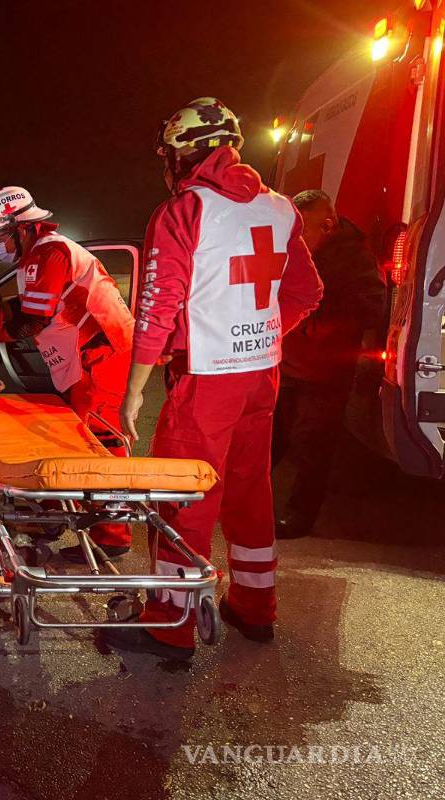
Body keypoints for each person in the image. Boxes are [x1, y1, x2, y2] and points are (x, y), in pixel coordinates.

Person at [111, 97, 323, 660]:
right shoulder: (281, 208)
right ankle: (255, 608)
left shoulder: (183, 211)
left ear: (182, 155)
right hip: (261, 375)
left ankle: (170, 624)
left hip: (207, 379)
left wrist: (133, 391)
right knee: (251, 488)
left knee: (183, 497)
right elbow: (306, 292)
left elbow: (157, 307)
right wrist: (262, 330)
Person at [0, 187, 136, 562]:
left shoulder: (49, 254)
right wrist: (3, 311)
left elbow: (33, 321)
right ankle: (62, 510)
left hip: (100, 353)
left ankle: (114, 533)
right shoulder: (44, 254)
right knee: (81, 435)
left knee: (101, 441)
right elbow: (37, 305)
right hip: (90, 351)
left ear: (22, 227)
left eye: (1, 236)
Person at [271, 190, 384, 539]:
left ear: (328, 225)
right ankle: (238, 501)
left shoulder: (355, 259)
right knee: (269, 440)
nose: (296, 239)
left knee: (312, 448)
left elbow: (373, 308)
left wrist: (316, 313)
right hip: (289, 365)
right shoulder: (298, 250)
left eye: (303, 230)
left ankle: (300, 518)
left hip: (324, 373)